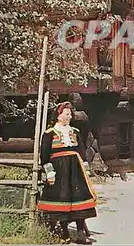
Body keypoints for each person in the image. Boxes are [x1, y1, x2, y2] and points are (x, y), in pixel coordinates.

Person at [38, 102, 97, 244]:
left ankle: (81, 233)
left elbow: (81, 150)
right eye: (66, 114)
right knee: (62, 197)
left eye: (70, 114)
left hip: (75, 170)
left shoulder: (75, 132)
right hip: (59, 171)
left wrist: (85, 166)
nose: (69, 117)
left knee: (79, 197)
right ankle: (64, 232)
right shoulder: (49, 134)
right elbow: (45, 155)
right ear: (59, 116)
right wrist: (50, 173)